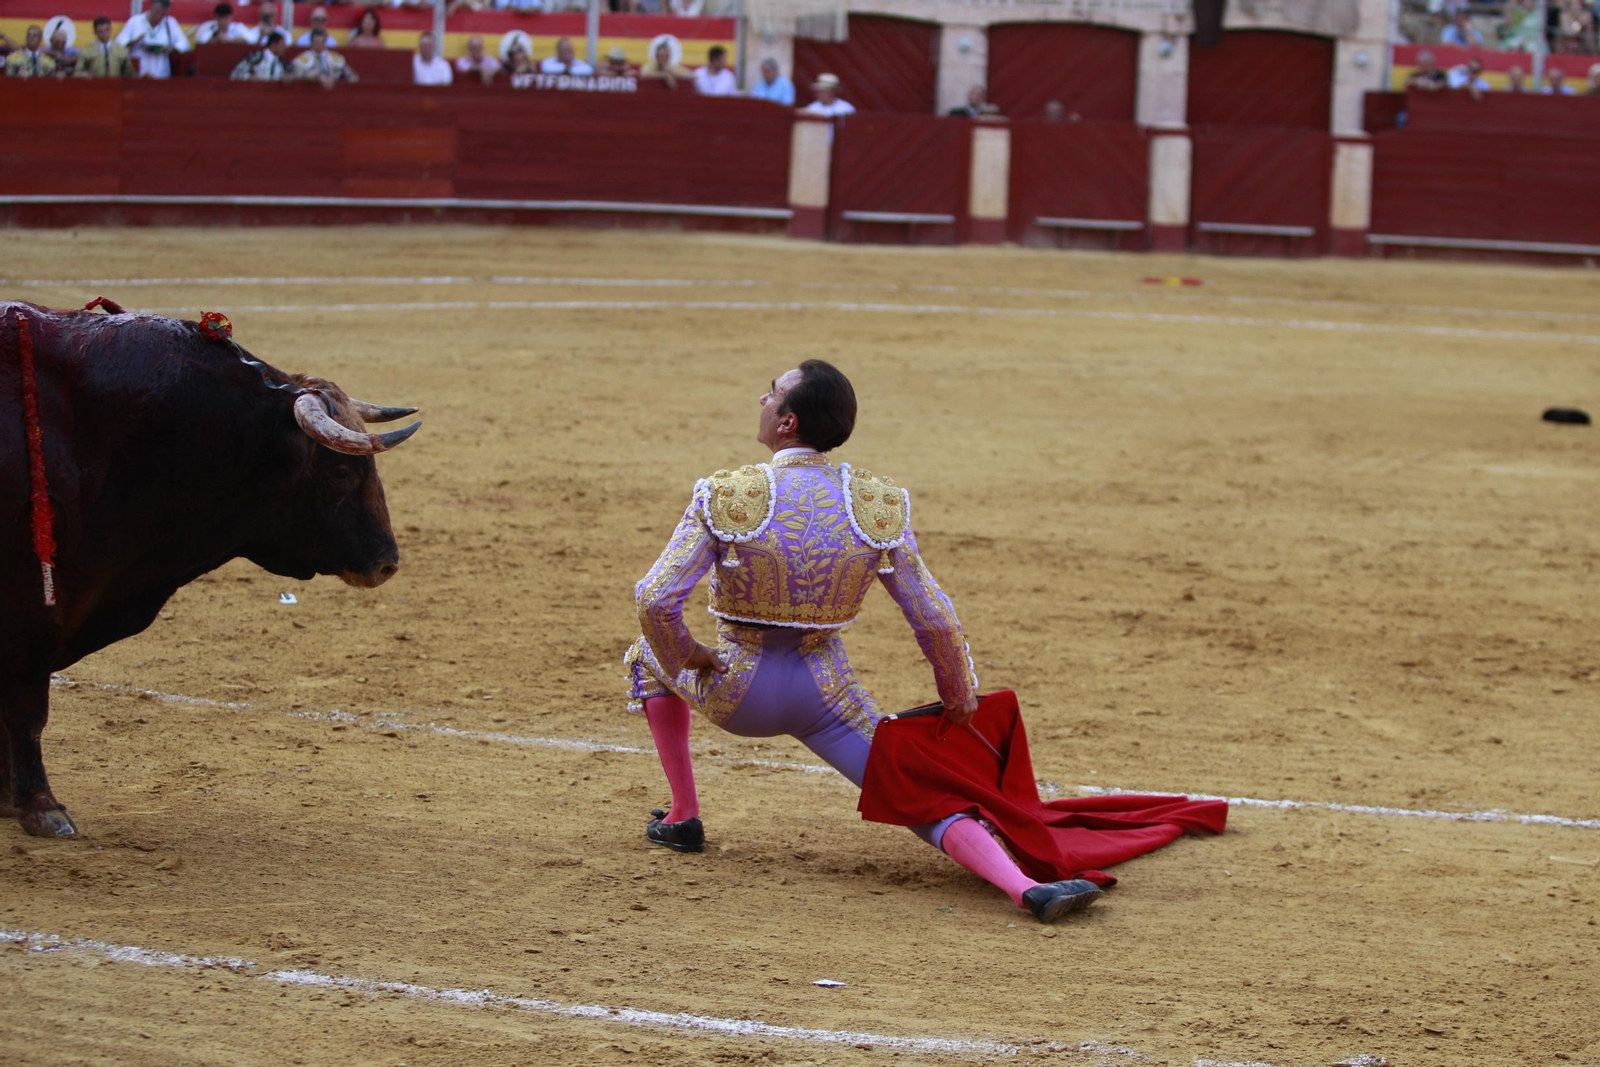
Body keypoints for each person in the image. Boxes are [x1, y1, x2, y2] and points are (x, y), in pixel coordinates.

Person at [626, 362, 1107, 923]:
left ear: (787, 423)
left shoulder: (729, 495)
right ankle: (1024, 888)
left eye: (773, 393)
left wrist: (687, 654)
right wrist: (957, 694)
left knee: (645, 655)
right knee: (914, 795)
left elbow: (654, 600)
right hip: (826, 694)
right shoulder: (874, 504)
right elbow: (933, 616)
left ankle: (684, 814)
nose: (763, 397)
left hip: (740, 689)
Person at [115, 0, 191, 78]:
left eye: (162, 14)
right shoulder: (135, 21)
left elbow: (185, 44)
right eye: (157, 12)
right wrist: (134, 41)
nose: (159, 16)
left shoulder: (170, 22)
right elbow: (118, 44)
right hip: (138, 74)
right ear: (151, 7)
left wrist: (170, 49)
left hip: (162, 74)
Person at [292, 26, 357, 87]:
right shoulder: (303, 58)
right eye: (316, 42)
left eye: (322, 42)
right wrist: (317, 76)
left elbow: (352, 76)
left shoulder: (336, 58)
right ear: (311, 43)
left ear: (325, 42)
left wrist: (334, 78)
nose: (319, 45)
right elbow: (296, 73)